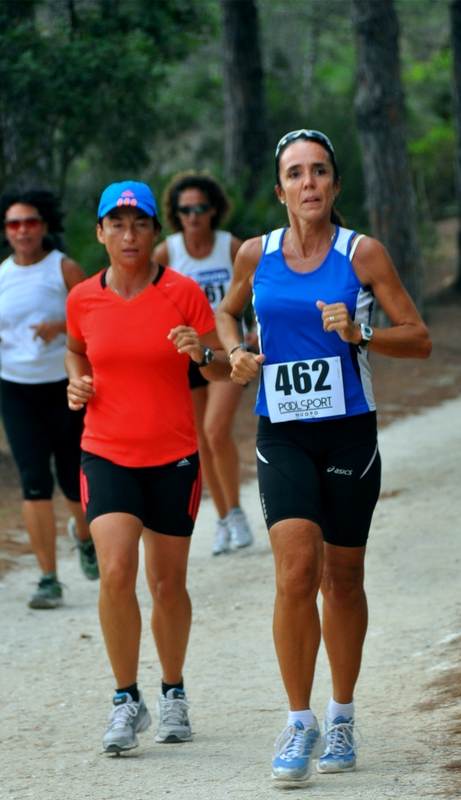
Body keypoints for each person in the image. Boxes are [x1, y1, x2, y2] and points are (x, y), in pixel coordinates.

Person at [216, 130, 432, 783]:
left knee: (341, 578)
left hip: (347, 433)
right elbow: (225, 315)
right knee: (293, 572)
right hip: (281, 431)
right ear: (279, 188)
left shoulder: (360, 254)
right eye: (294, 174)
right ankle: (297, 723)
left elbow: (417, 338)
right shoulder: (254, 255)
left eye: (318, 173)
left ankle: (340, 714)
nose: (307, 184)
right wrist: (234, 352)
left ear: (334, 185)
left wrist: (360, 331)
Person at [65, 180, 229, 754]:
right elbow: (77, 347)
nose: (128, 235)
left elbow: (221, 369)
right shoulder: (83, 296)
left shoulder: (182, 292)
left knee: (167, 583)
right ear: (100, 233)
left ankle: (173, 691)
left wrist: (200, 353)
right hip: (106, 450)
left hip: (174, 457)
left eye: (139, 225)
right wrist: (75, 381)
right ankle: (124, 700)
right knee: (114, 573)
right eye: (117, 224)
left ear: (156, 233)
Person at [0, 189, 98, 610]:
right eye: (13, 223)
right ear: (4, 231)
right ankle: (48, 579)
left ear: (44, 226)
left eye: (30, 222)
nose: (22, 230)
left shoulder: (64, 269)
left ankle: (84, 536)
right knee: (33, 482)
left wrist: (62, 325)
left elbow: (94, 320)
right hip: (17, 391)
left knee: (73, 482)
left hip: (65, 389)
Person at [154, 172, 254, 556]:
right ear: (176, 214)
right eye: (185, 210)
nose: (193, 216)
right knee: (199, 443)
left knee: (215, 431)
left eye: (200, 208)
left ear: (213, 210)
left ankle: (239, 514)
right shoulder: (167, 252)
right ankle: (225, 518)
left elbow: (263, 287)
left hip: (228, 353)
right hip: (188, 359)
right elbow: (149, 299)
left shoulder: (231, 247)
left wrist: (256, 330)